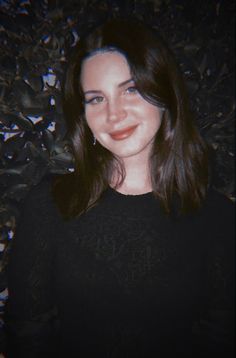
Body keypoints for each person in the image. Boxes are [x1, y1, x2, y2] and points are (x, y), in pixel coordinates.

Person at [4, 17, 235, 357]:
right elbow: (27, 329)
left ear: (164, 93)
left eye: (130, 89)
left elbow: (221, 335)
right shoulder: (50, 204)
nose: (114, 114)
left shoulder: (218, 217)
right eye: (96, 99)